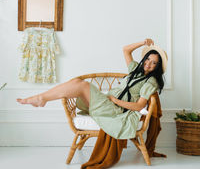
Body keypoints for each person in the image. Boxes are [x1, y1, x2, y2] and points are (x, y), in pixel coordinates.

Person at [17, 38, 168, 139]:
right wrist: (143, 43)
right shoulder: (135, 69)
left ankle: (41, 99)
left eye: (153, 62)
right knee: (77, 81)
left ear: (157, 67)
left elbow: (139, 106)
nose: (148, 63)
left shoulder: (151, 81)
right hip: (107, 102)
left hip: (114, 108)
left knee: (82, 85)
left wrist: (116, 100)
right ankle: (41, 98)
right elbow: (125, 50)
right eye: (147, 59)